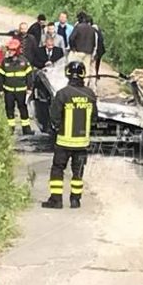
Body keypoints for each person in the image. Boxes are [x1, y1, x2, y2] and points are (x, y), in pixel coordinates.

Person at [42, 61, 97, 210]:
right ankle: (75, 200)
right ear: (83, 74)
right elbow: (94, 118)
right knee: (78, 172)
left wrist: (58, 129)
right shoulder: (90, 95)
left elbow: (54, 117)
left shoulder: (62, 94)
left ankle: (56, 200)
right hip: (82, 143)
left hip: (64, 142)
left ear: (67, 74)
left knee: (58, 169)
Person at [0, 39, 35, 135]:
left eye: (12, 50)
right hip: (8, 91)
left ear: (17, 50)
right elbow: (0, 77)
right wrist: (1, 89)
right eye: (9, 50)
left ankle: (26, 129)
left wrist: (29, 88)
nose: (10, 52)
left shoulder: (24, 62)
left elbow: (29, 76)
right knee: (9, 109)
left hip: (21, 91)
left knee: (23, 109)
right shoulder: (5, 62)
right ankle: (10, 129)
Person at [68, 12, 96, 77]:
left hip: (78, 51)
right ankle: (84, 83)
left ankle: (72, 81)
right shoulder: (92, 29)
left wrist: (73, 48)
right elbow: (93, 42)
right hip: (88, 52)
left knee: (73, 66)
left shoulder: (78, 27)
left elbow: (71, 38)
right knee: (86, 69)